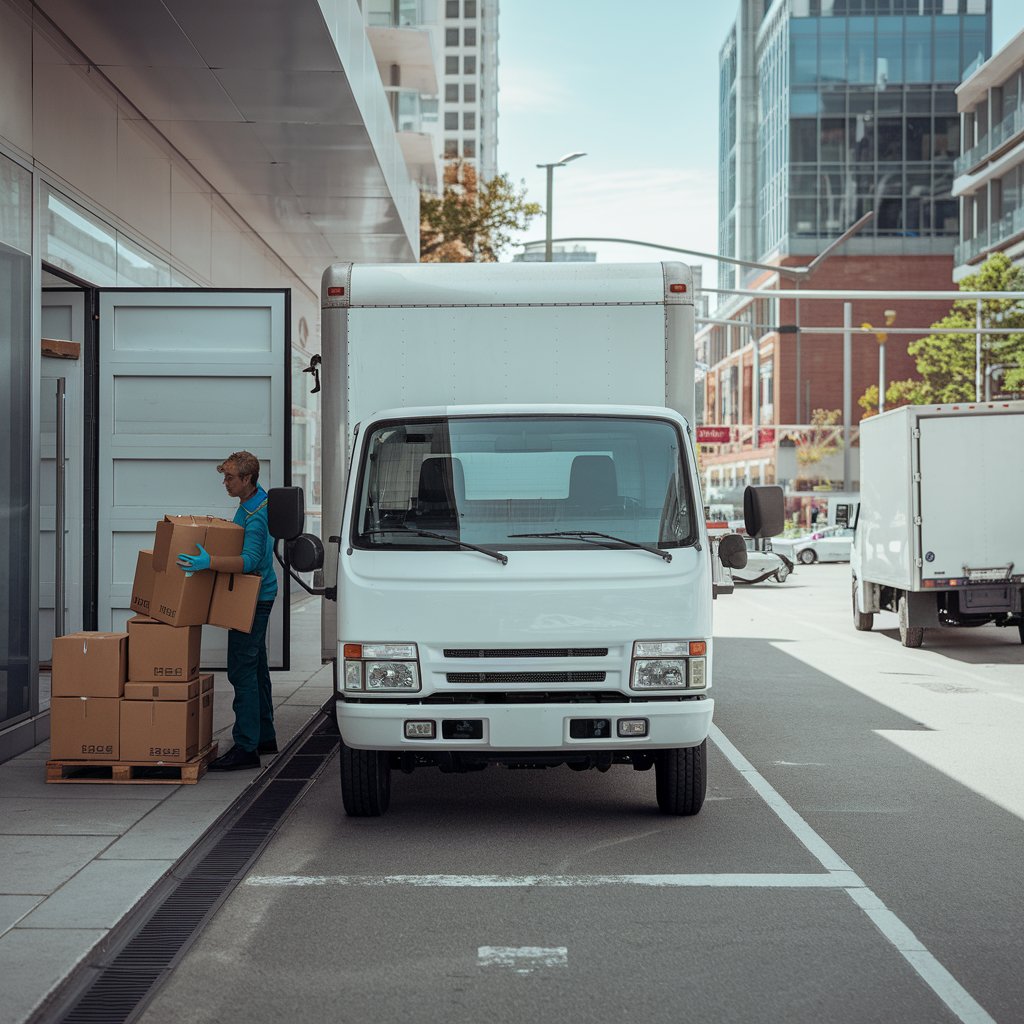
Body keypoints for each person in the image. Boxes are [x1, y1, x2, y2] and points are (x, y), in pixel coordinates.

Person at [176, 451, 278, 771]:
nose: (225, 483)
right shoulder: (252, 501)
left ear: (247, 479)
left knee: (241, 669)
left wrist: (209, 563)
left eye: (230, 478)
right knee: (256, 667)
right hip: (258, 594)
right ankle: (264, 736)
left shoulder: (258, 514)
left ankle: (246, 747)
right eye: (225, 477)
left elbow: (248, 561)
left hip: (252, 599)